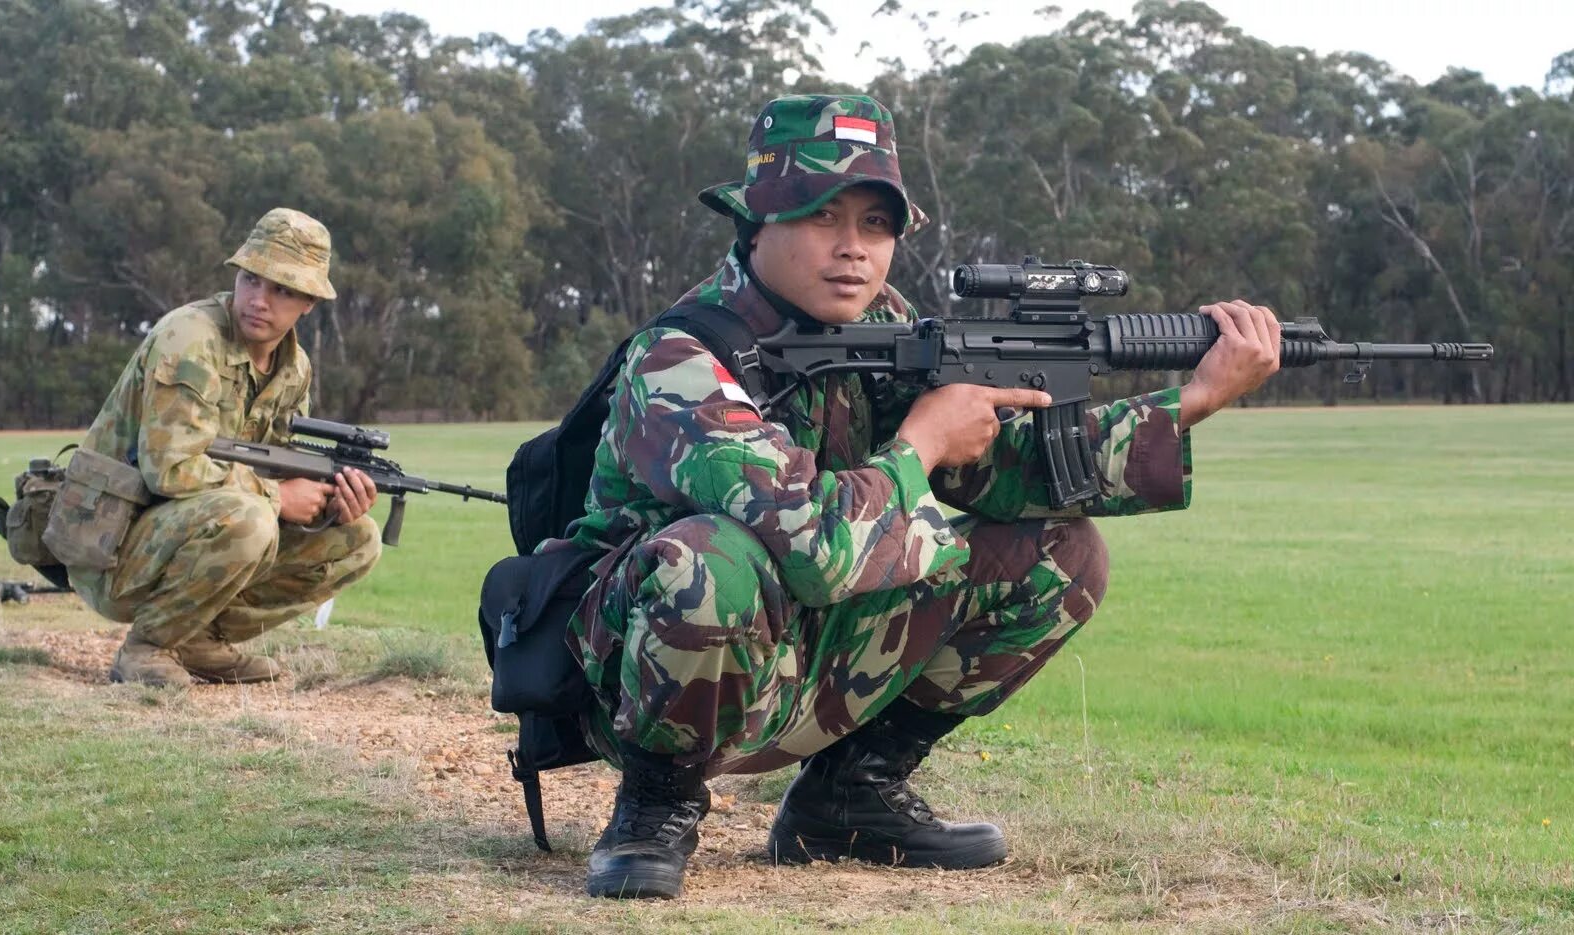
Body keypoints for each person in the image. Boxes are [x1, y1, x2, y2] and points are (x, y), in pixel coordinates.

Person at [545, 94, 1282, 899]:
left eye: (876, 225)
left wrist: (1194, 399)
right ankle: (655, 803)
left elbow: (1015, 469)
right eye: (822, 216)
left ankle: (849, 794)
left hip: (802, 656)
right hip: (651, 674)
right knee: (709, 559)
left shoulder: (885, 325)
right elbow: (813, 547)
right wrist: (924, 440)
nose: (853, 250)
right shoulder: (681, 358)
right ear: (756, 223)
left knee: (1062, 554)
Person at [59, 208, 383, 687]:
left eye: (282, 289)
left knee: (358, 539)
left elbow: (277, 465)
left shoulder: (294, 369)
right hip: (112, 546)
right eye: (251, 280)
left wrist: (330, 502)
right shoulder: (190, 341)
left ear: (309, 302)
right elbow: (170, 470)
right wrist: (279, 498)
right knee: (251, 518)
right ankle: (148, 647)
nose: (259, 299)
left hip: (192, 534)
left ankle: (196, 639)